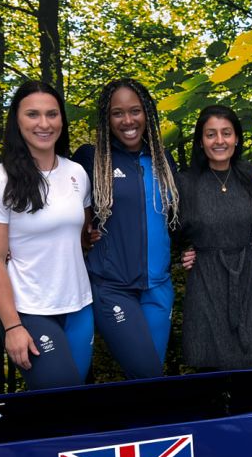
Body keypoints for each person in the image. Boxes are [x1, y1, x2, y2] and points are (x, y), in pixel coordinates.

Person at [0, 80, 94, 389]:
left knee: (73, 400)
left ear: (62, 121)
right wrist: (12, 326)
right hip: (30, 311)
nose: (44, 123)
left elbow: (81, 234)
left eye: (52, 114)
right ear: (17, 120)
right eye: (33, 114)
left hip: (79, 308)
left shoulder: (77, 173)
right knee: (62, 403)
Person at [73, 77, 179, 380]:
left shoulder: (162, 160)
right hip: (113, 287)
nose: (128, 120)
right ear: (107, 118)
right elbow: (59, 205)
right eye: (117, 113)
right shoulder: (90, 159)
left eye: (135, 110)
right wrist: (83, 232)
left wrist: (197, 247)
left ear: (147, 113)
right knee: (148, 376)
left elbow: (178, 217)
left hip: (158, 287)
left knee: (148, 376)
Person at [178, 104, 252, 370]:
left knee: (251, 361)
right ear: (200, 141)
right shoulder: (185, 182)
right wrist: (184, 250)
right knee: (207, 361)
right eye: (211, 134)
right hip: (205, 280)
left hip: (246, 280)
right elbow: (171, 230)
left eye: (226, 133)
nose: (219, 141)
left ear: (237, 138)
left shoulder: (250, 176)